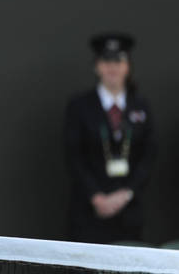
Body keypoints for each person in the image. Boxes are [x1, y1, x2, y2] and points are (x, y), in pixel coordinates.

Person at [65, 33, 156, 244]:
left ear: (128, 66)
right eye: (106, 61)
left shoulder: (140, 106)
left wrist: (126, 194)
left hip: (129, 213)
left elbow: (149, 154)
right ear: (97, 66)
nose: (112, 67)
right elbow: (73, 156)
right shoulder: (80, 106)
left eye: (118, 61)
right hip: (89, 212)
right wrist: (97, 198)